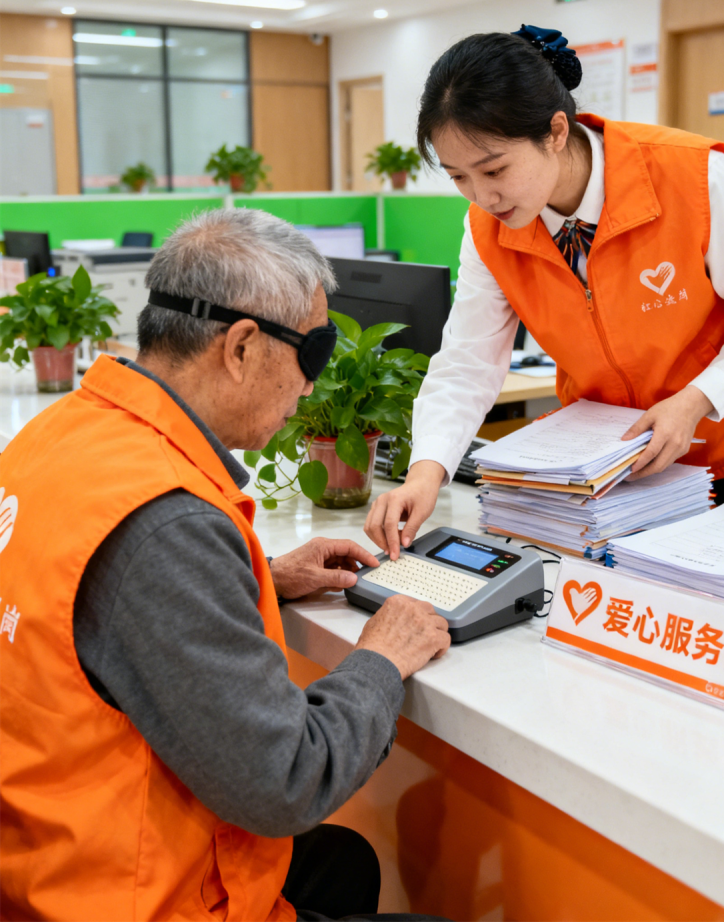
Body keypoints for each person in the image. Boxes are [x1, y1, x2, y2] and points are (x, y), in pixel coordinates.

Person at [0, 208, 453, 922]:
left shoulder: (60, 436)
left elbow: (88, 597)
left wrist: (256, 578)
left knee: (342, 864)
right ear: (242, 348)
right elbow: (286, 783)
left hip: (44, 854)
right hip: (127, 896)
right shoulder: (167, 525)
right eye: (313, 355)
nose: (311, 389)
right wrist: (379, 659)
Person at [366, 25, 724, 559]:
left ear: (554, 130)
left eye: (494, 168)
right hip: (604, 464)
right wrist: (425, 471)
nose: (482, 196)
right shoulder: (487, 227)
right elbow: (467, 361)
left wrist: (693, 403)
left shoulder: (691, 175)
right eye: (459, 178)